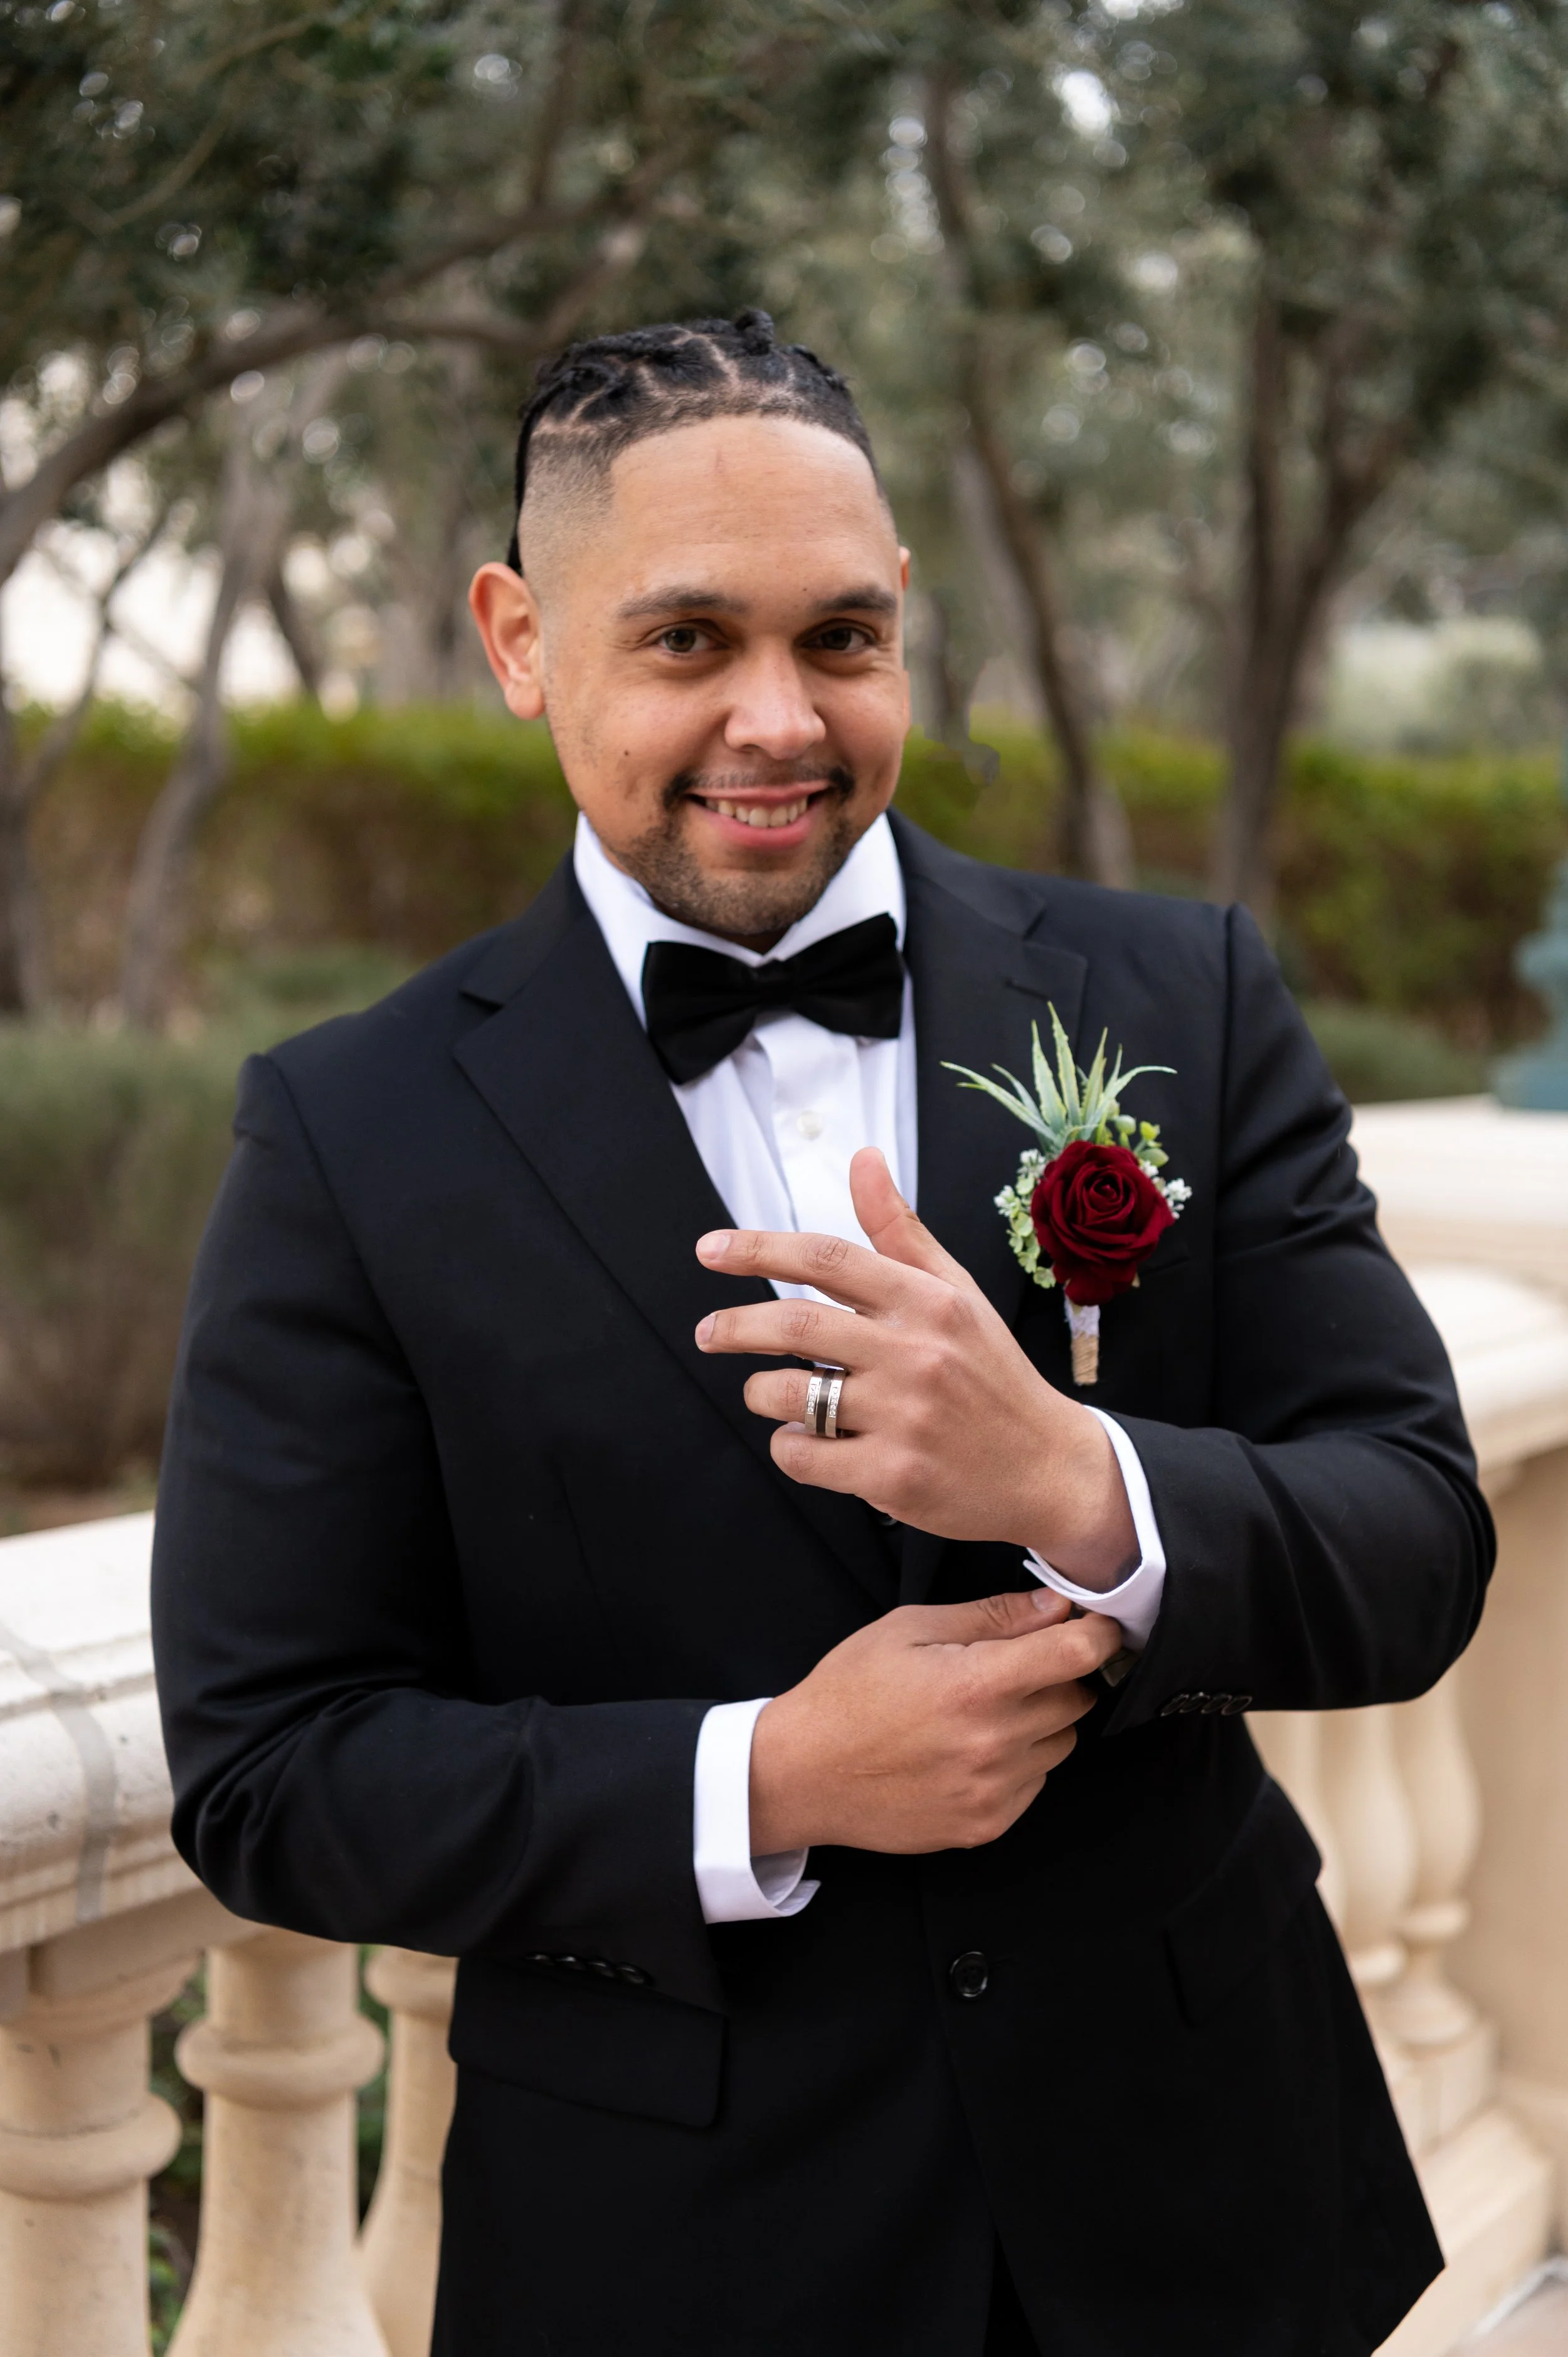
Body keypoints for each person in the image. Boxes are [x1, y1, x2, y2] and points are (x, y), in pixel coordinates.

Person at [151, 311, 1492, 2357]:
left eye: (840, 638)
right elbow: (271, 1768)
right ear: (519, 641)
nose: (777, 718)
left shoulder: (1180, 995)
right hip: (675, 2255)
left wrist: (1073, 1479)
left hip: (1201, 2205)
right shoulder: (348, 1133)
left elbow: (1415, 1534)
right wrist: (763, 1776)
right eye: (687, 639)